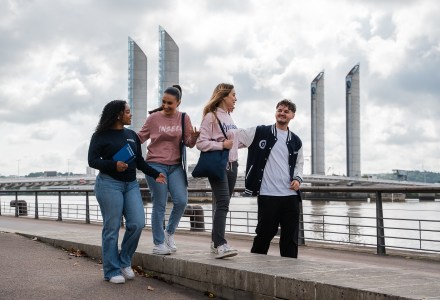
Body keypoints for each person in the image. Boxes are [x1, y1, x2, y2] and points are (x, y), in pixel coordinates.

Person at [88, 100, 166, 284]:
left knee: (137, 223)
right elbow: (92, 160)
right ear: (118, 114)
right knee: (112, 228)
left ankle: (124, 262)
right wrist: (113, 165)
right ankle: (111, 270)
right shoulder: (100, 135)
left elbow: (139, 161)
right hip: (109, 184)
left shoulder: (131, 135)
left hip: (131, 185)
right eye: (128, 112)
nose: (131, 114)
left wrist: (156, 174)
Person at [137, 85, 200, 255]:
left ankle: (169, 233)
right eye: (163, 102)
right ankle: (158, 244)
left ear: (178, 102)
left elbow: (189, 143)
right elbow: (139, 138)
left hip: (176, 166)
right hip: (155, 164)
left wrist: (193, 138)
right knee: (160, 203)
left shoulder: (184, 118)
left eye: (170, 103)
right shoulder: (153, 119)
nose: (165, 105)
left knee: (181, 200)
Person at [239, 99, 304, 258]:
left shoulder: (296, 141)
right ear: (276, 112)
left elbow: (299, 164)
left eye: (286, 111)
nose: (282, 113)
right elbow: (235, 136)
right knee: (263, 235)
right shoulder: (259, 132)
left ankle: (289, 274)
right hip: (268, 195)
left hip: (290, 197)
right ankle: (255, 271)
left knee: (290, 240)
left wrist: (297, 179)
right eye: (279, 110)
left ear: (292, 116)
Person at [196, 83, 239, 259]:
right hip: (219, 166)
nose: (235, 99)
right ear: (223, 97)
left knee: (224, 204)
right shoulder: (211, 117)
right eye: (233, 95)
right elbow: (201, 143)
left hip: (233, 166)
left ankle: (216, 243)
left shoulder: (229, 117)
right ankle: (221, 244)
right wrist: (222, 144)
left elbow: (234, 143)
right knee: (223, 204)